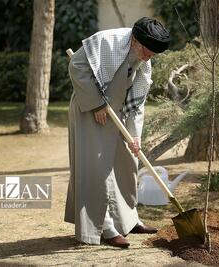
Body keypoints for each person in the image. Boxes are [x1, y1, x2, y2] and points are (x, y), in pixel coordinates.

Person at [64, 17, 170, 248]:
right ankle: (106, 228)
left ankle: (128, 220)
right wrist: (97, 104)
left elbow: (137, 102)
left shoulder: (143, 59)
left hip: (119, 114)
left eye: (152, 54)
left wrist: (135, 135)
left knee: (126, 164)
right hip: (91, 112)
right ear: (134, 40)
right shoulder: (106, 41)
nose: (148, 57)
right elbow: (77, 66)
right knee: (97, 169)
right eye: (146, 51)